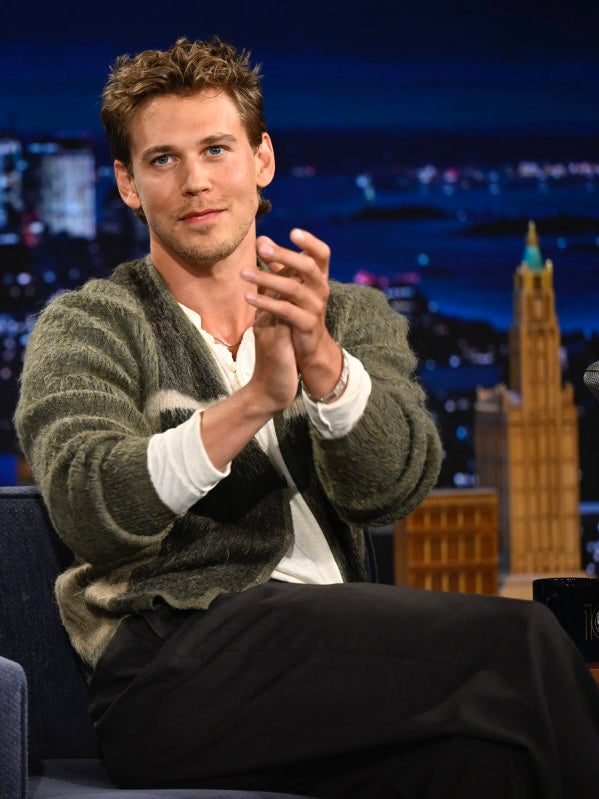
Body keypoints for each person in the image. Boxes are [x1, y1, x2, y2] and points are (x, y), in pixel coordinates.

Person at [14, 35, 599, 799]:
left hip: (336, 668)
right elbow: (91, 505)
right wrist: (257, 397)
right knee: (526, 638)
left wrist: (323, 362)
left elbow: (391, 488)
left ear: (262, 159)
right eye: (162, 160)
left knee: (497, 765)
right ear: (127, 183)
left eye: (216, 149)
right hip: (170, 669)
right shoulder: (88, 326)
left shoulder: (349, 315)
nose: (195, 181)